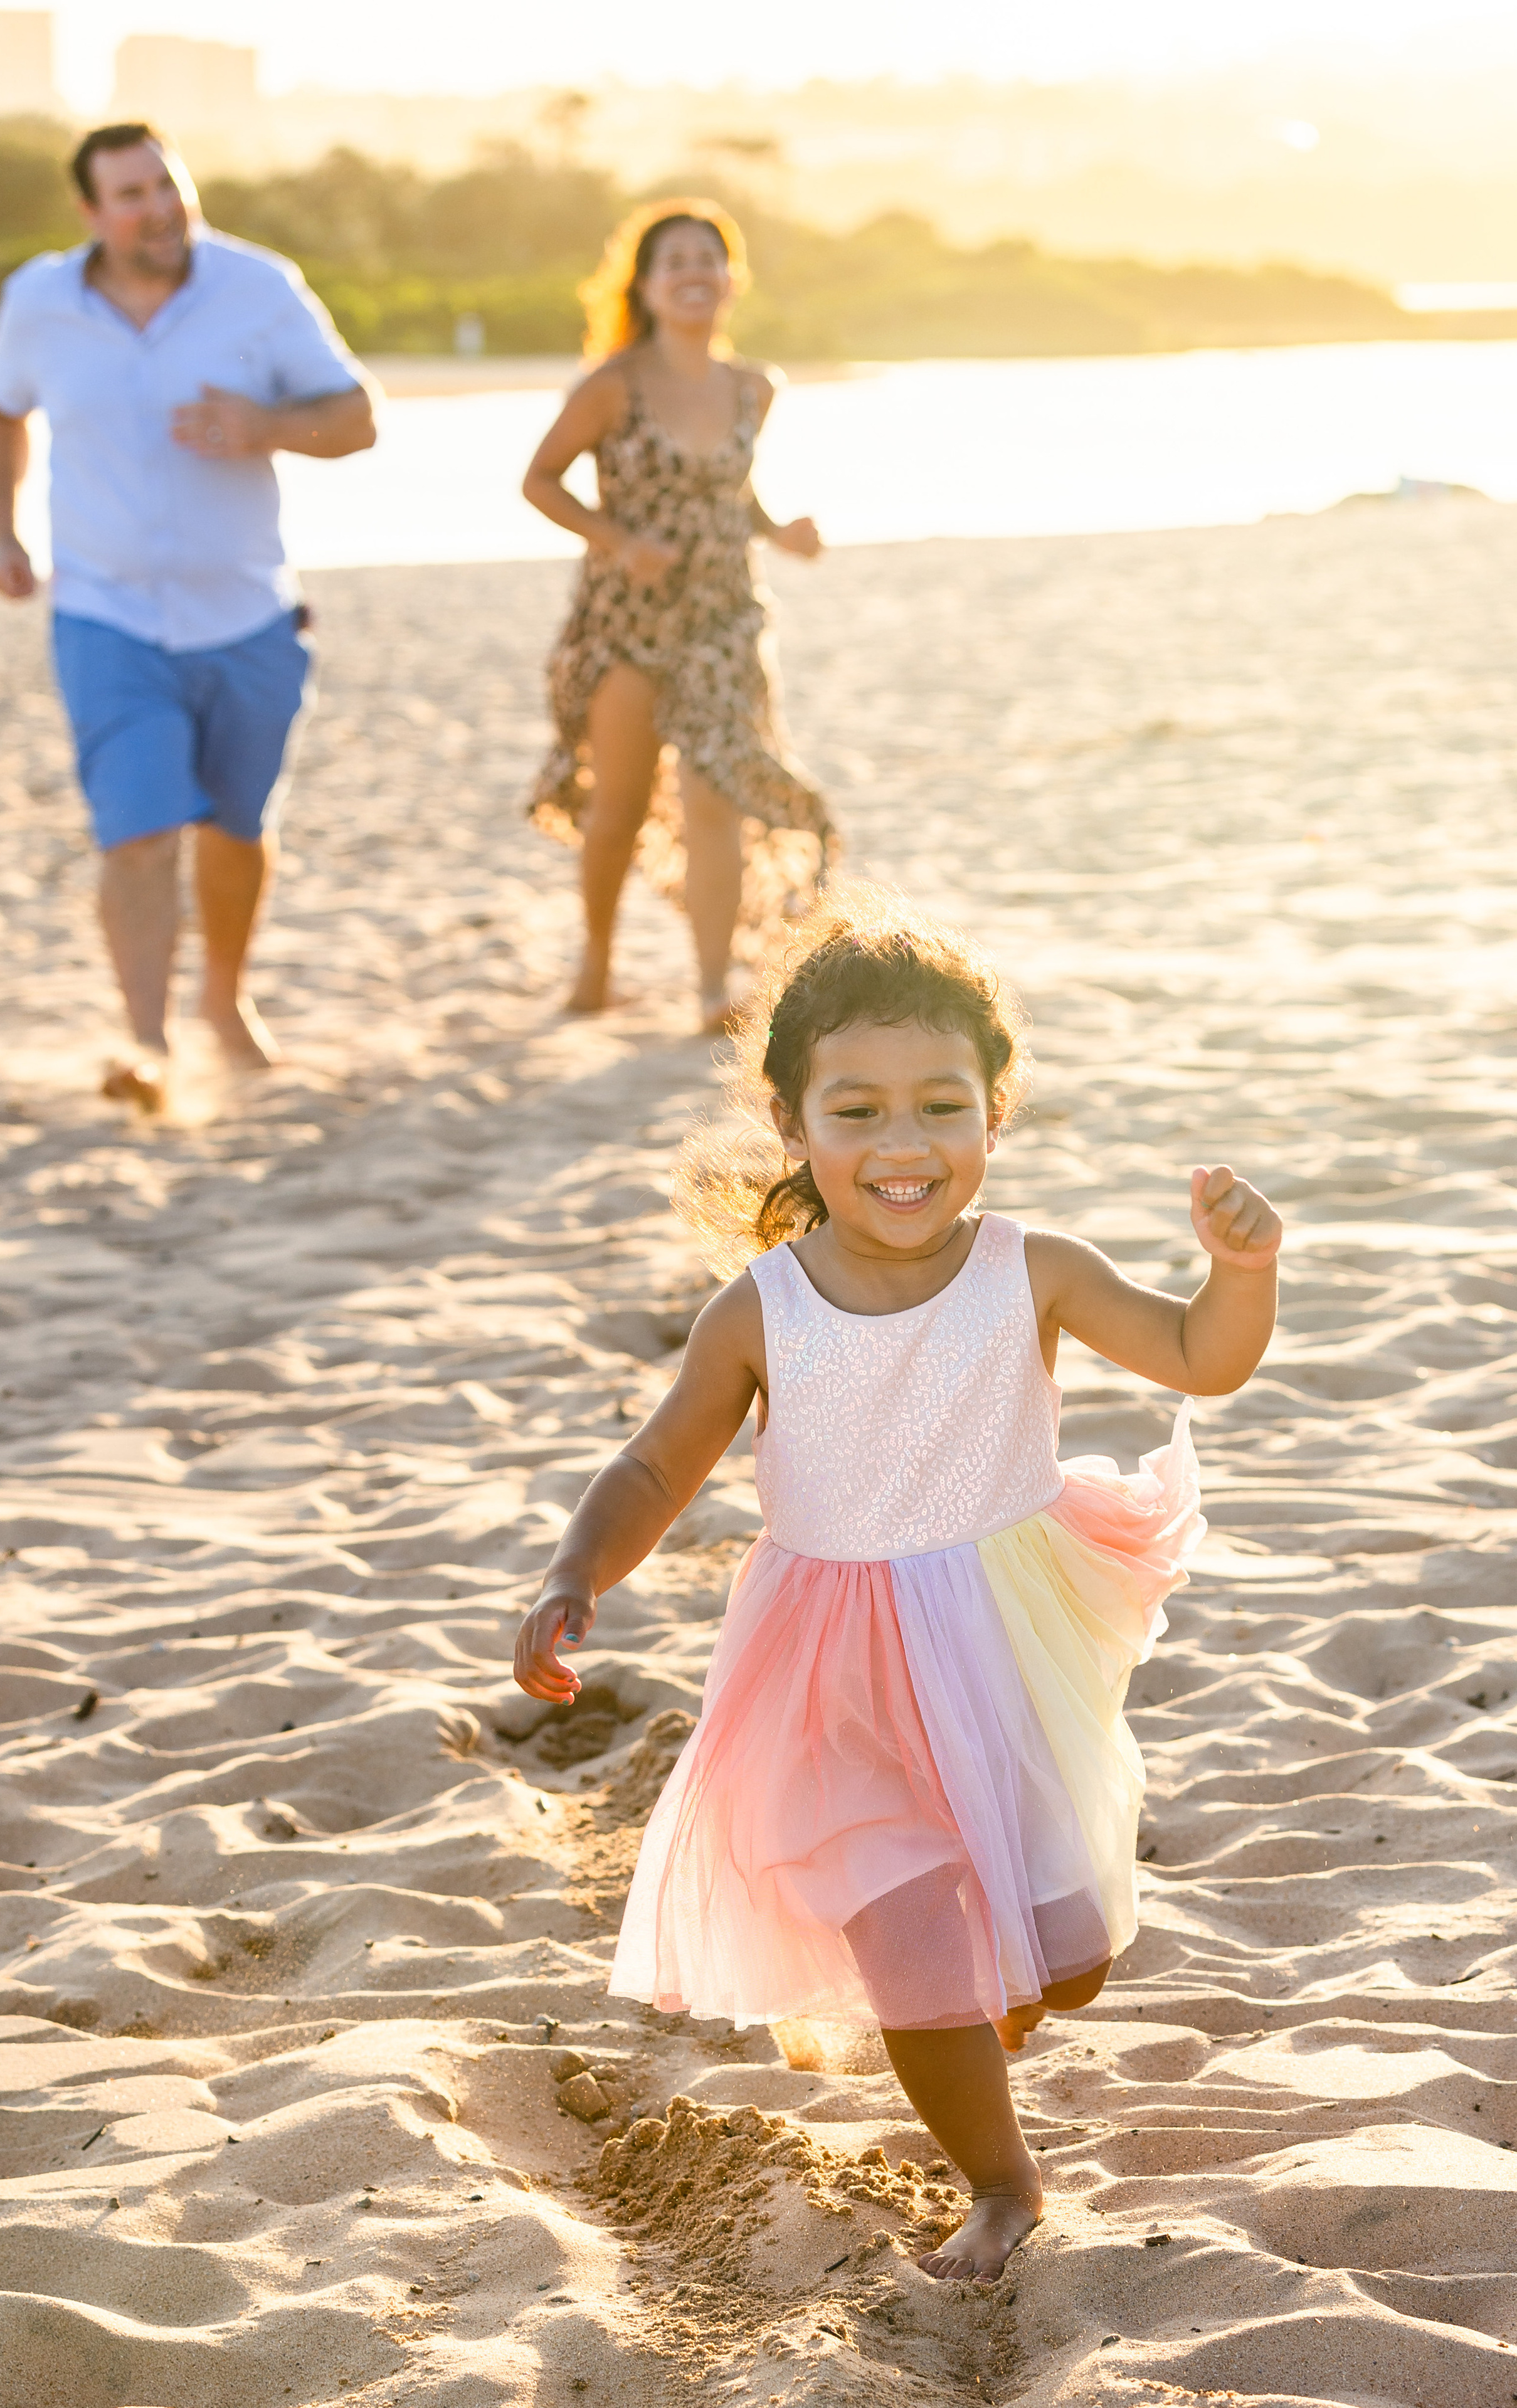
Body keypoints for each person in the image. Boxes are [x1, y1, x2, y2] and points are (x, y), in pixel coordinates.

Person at [514, 886, 1282, 2283]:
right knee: (914, 1936)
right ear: (793, 1125)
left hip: (1004, 1635)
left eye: (939, 1104)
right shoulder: (762, 1308)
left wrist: (1241, 1271)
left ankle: (989, 2012)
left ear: (994, 1111)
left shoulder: (1029, 1269)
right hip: (832, 1667)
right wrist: (577, 1569)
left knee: (1063, 1951)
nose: (901, 1144)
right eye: (854, 1110)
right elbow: (654, 1467)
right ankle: (999, 2183)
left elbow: (1196, 1356)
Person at [0, 122, 377, 1112]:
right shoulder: (39, 301)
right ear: (91, 214)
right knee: (140, 831)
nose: (156, 208)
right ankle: (146, 1042)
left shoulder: (260, 288)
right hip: (105, 615)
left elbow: (359, 418)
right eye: (129, 195)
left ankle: (226, 1004)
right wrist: (6, 537)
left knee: (237, 830)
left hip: (247, 613)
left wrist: (268, 427)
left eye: (166, 184)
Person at [523, 198, 835, 1035]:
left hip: (725, 617)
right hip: (627, 620)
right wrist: (617, 541)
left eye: (709, 258)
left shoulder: (752, 388)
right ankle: (595, 961)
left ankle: (710, 990)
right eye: (676, 262)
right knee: (619, 806)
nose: (695, 273)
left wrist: (780, 531)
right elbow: (541, 481)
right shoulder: (611, 386)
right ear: (648, 287)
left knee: (716, 798)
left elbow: (730, 491)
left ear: (731, 281)